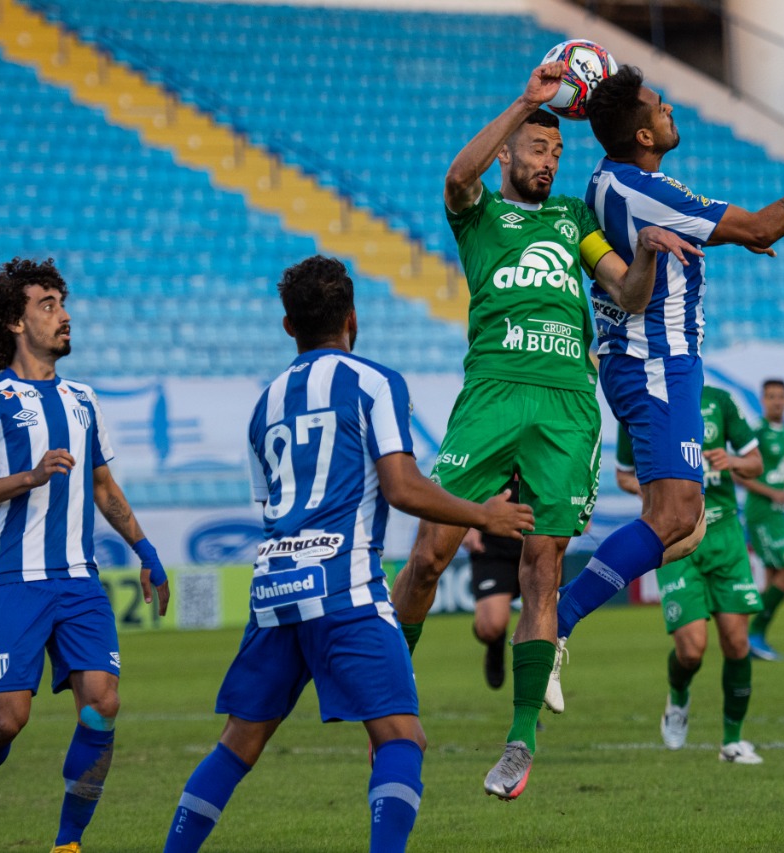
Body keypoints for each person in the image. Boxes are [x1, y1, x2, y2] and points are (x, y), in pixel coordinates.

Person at [388, 61, 700, 801]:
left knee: (543, 566)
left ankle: (520, 740)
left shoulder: (573, 220)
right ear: (509, 154)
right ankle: (389, 691)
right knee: (430, 554)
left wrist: (648, 254)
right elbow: (456, 178)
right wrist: (522, 101)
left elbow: (622, 289)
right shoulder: (479, 214)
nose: (548, 159)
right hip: (493, 392)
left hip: (565, 400)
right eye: (536, 148)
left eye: (556, 151)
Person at [162, 256, 532, 852]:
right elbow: (402, 487)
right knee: (401, 740)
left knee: (238, 745)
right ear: (353, 317)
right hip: (344, 586)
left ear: (289, 326)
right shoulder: (375, 382)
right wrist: (483, 515)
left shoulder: (264, 404)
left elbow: (271, 508)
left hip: (274, 591)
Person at [551, 65, 784, 700]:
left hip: (651, 360)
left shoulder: (614, 180)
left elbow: (730, 231)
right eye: (658, 105)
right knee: (674, 516)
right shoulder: (641, 191)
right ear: (643, 135)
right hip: (656, 363)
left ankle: (558, 607)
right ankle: (555, 617)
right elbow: (762, 225)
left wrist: (738, 237)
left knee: (684, 521)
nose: (670, 107)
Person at [0, 258, 170, 853]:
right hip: (12, 579)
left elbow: (103, 487)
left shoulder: (83, 399)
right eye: (48, 305)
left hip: (79, 582)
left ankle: (67, 844)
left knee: (103, 704)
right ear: (14, 321)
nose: (64, 316)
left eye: (63, 304)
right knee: (7, 720)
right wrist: (27, 478)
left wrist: (145, 548)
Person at [615, 385, 765, 764]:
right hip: (676, 537)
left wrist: (731, 461)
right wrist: (655, 491)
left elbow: (756, 463)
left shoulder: (720, 401)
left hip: (725, 537)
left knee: (737, 643)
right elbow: (623, 475)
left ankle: (732, 742)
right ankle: (678, 697)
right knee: (692, 649)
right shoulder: (639, 401)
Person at [738, 378, 784, 661]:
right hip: (761, 512)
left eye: (780, 396)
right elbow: (737, 472)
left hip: (776, 513)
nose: (776, 401)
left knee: (775, 576)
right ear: (762, 400)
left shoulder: (783, 430)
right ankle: (752, 634)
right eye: (770, 396)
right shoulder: (758, 431)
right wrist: (771, 493)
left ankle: (753, 639)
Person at [465, 479, 525, 690]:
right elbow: (470, 471)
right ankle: (495, 644)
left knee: (542, 626)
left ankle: (528, 708)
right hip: (493, 541)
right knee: (490, 627)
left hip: (540, 537)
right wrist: (468, 523)